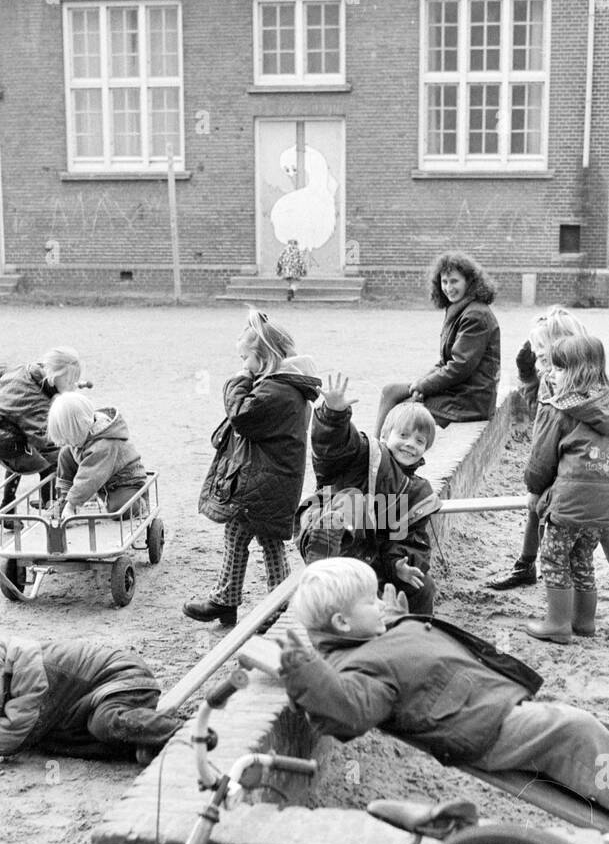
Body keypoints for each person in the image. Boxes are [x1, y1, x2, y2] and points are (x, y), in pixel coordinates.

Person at [279, 559, 609, 840]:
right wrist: (309, 675)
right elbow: (350, 712)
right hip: (482, 729)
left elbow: (406, 654)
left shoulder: (371, 640)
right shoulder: (354, 669)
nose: (379, 604)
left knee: (579, 748)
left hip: (489, 706)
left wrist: (396, 621)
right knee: (577, 730)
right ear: (341, 623)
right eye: (368, 602)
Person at [489, 306, 609, 616]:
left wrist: (539, 480)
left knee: (595, 526)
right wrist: (528, 371)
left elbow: (549, 434)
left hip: (573, 464)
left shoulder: (564, 384)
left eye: (543, 353)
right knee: (541, 510)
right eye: (536, 352)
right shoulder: (573, 379)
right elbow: (536, 399)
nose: (539, 359)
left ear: (564, 350)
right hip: (576, 462)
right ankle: (526, 565)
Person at [183, 307, 321, 625]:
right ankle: (237, 600)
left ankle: (269, 601)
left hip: (265, 483)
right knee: (252, 537)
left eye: (246, 359)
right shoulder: (283, 386)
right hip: (268, 480)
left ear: (265, 357)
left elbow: (242, 416)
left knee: (256, 538)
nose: (243, 366)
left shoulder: (276, 390)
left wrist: (239, 380)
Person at [298, 375, 441, 615]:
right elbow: (333, 447)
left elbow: (410, 540)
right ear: (385, 435)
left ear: (426, 448)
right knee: (351, 499)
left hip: (374, 556)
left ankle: (416, 636)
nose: (410, 444)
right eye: (403, 435)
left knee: (423, 587)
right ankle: (325, 562)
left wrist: (400, 565)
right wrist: (334, 415)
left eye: (419, 440)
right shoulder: (367, 453)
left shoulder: (418, 492)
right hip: (329, 528)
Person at [523, 334, 609, 645]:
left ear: (575, 373)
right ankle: (584, 622)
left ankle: (557, 623)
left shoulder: (561, 407)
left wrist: (535, 490)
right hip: (605, 504)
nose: (550, 374)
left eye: (558, 368)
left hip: (571, 505)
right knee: (582, 558)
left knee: (555, 559)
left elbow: (542, 458)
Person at [0, 628, 182, 763]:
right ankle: (140, 745)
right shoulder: (4, 674)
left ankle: (181, 731)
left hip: (123, 680)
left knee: (104, 723)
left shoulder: (28, 669)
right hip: (89, 698)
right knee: (47, 741)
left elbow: (17, 723)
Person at [374, 251, 501, 435]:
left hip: (470, 399)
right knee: (390, 391)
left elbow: (459, 366)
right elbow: (445, 361)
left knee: (403, 411)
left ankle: (380, 455)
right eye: (444, 282)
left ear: (470, 282)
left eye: (454, 281)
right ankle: (376, 448)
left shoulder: (476, 315)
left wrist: (424, 387)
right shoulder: (460, 310)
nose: (448, 288)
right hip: (459, 390)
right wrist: (421, 382)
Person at [0, 346, 83, 518]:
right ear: (53, 376)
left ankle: (8, 505)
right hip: (1, 441)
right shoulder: (36, 399)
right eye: (69, 382)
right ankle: (51, 505)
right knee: (55, 459)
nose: (72, 386)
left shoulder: (25, 371)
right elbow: (44, 439)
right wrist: (71, 447)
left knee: (25, 448)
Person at [47, 392, 147, 519]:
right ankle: (65, 497)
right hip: (102, 479)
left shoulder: (103, 446)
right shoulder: (83, 434)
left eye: (68, 437)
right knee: (66, 453)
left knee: (119, 510)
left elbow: (89, 477)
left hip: (124, 482)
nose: (66, 442)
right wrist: (69, 498)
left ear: (81, 426)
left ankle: (140, 504)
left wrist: (72, 504)